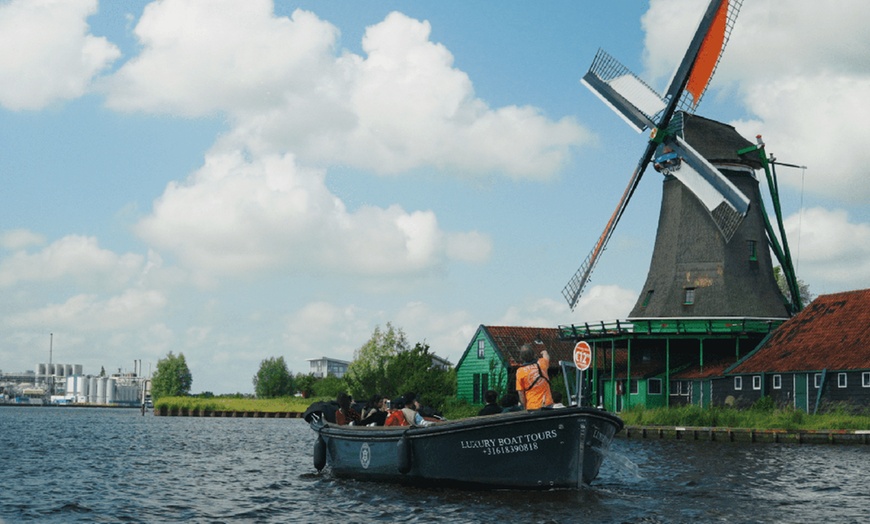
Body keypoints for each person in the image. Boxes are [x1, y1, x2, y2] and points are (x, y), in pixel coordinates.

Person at [515, 344, 552, 410]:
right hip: (547, 403)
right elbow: (547, 358)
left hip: (532, 406)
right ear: (533, 354)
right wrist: (544, 352)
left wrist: (524, 406)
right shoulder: (542, 363)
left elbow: (521, 392)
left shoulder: (520, 371)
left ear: (521, 357)